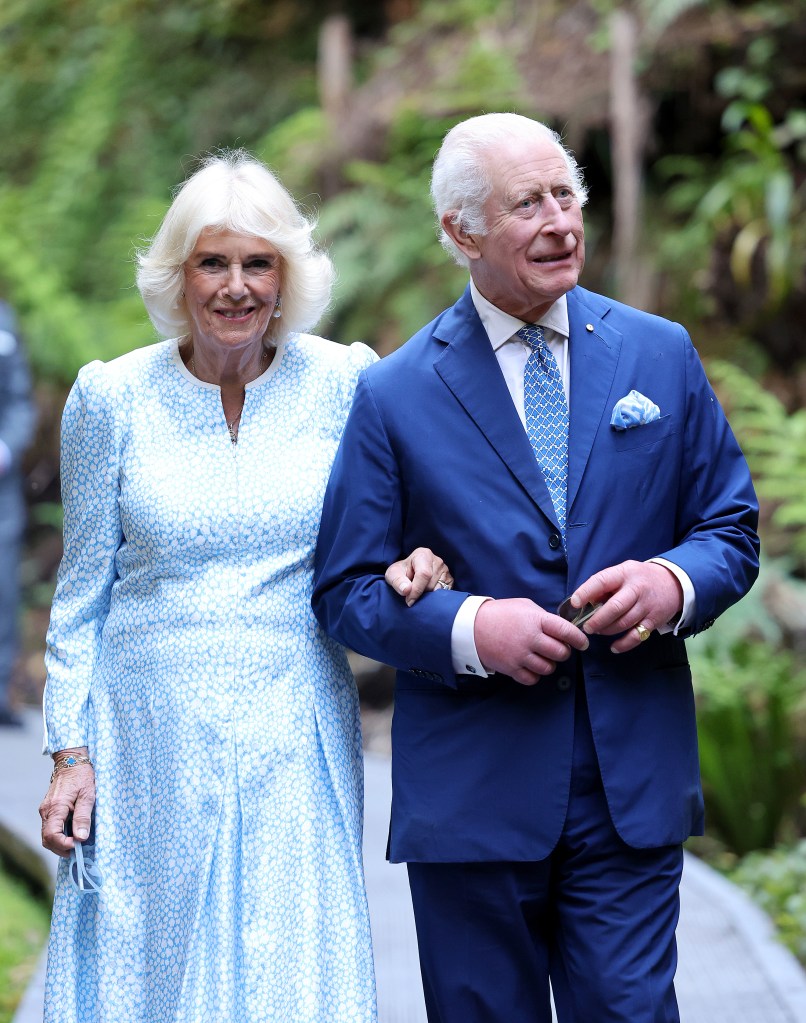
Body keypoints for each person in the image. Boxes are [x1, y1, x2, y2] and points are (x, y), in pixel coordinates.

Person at [312, 112, 760, 1023]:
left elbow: (729, 526)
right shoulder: (394, 393)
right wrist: (473, 628)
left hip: (627, 778)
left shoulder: (658, 353)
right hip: (473, 794)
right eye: (528, 203)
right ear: (460, 231)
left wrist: (672, 583)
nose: (561, 221)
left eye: (567, 194)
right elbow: (347, 589)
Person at [37, 151, 453, 1023]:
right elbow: (80, 596)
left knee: (289, 968)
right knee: (152, 963)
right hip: (144, 732)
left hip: (292, 720)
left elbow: (396, 524)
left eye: (257, 263)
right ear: (176, 275)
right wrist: (70, 754)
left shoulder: (345, 380)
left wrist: (421, 559)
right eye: (211, 262)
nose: (235, 287)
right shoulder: (110, 398)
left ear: (287, 275)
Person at [0, 299, 35, 728]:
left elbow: (20, 402)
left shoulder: (5, 320)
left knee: (4, 589)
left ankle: (2, 691)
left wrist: (5, 450)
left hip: (1, 490)